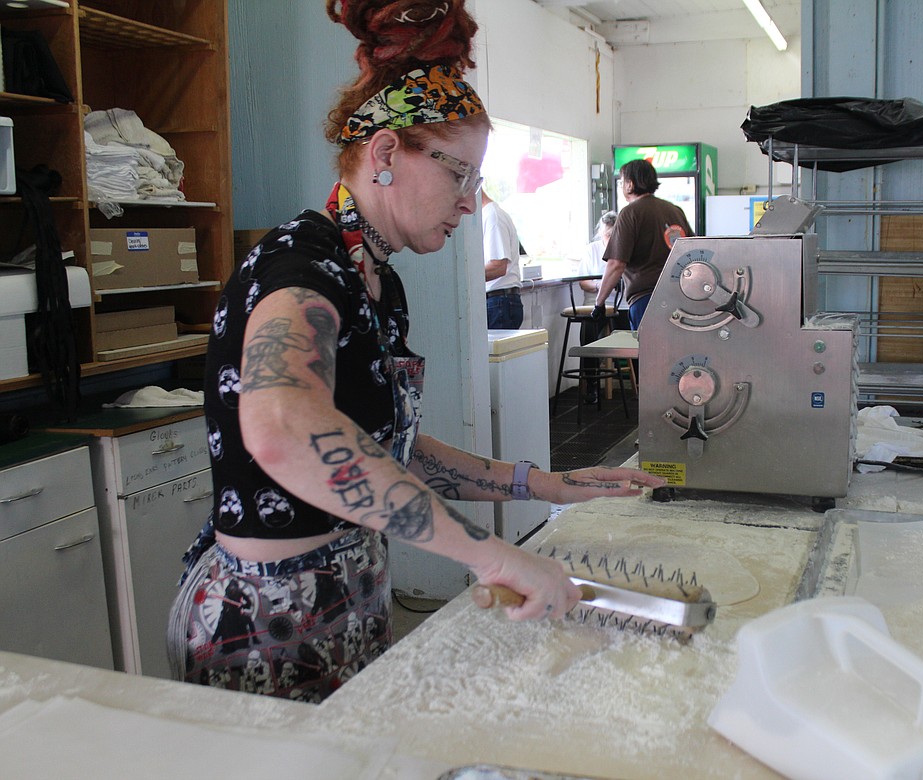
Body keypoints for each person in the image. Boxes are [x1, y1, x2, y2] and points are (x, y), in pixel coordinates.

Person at [168, 0, 664, 703]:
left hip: (354, 603)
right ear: (384, 155)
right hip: (264, 624)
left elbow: (381, 448)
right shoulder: (301, 265)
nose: (471, 202)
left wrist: (543, 484)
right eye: (458, 172)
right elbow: (283, 430)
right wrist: (488, 552)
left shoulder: (379, 281)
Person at [591, 159, 693, 331]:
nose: (622, 186)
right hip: (681, 295)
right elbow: (692, 250)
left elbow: (616, 264)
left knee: (648, 355)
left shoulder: (630, 213)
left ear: (630, 184)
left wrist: (599, 303)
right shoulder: (674, 210)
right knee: (676, 354)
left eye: (622, 182)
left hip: (646, 299)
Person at [576, 211, 619, 404]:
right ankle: (592, 385)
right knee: (588, 338)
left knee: (639, 335)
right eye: (606, 235)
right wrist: (599, 286)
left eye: (613, 235)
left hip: (621, 306)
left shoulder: (625, 248)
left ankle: (641, 386)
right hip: (595, 304)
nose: (609, 239)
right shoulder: (591, 250)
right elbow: (583, 282)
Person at [481, 189, 523, 329]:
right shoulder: (488, 215)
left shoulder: (493, 216)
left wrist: (465, 277)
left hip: (500, 302)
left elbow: (498, 267)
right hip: (499, 302)